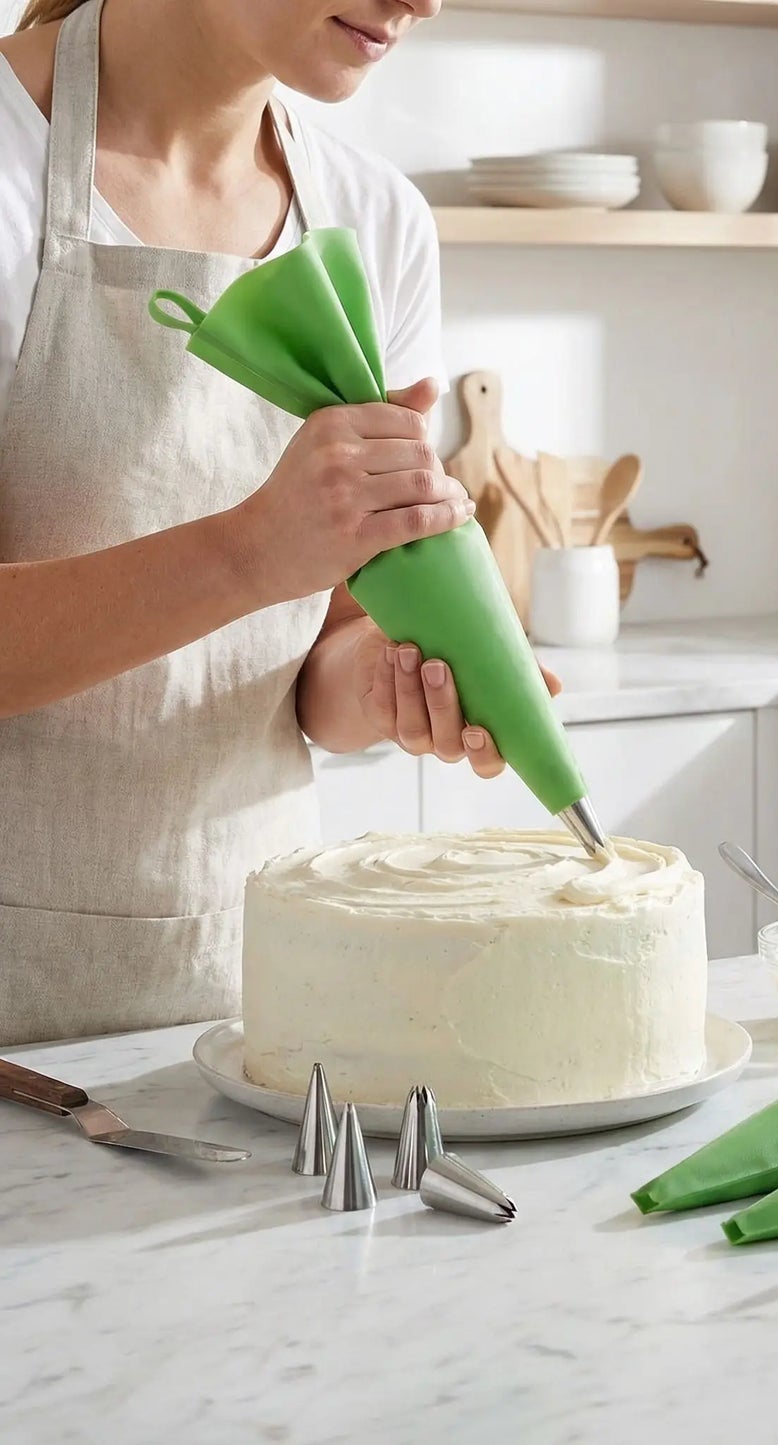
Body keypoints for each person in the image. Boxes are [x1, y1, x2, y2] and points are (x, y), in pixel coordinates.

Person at [0, 0, 556, 1045]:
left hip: (249, 1002)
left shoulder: (371, 219)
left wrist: (390, 683)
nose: (424, 2)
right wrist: (254, 549)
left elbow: (321, 659)